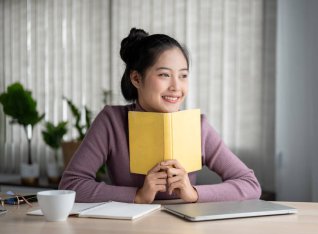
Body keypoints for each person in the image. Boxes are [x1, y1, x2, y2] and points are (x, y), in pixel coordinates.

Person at [59, 28, 261, 204]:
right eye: (164, 74)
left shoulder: (197, 126)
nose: (176, 87)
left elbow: (250, 185)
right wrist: (138, 195)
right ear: (137, 78)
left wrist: (193, 193)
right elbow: (71, 185)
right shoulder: (111, 121)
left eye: (183, 75)